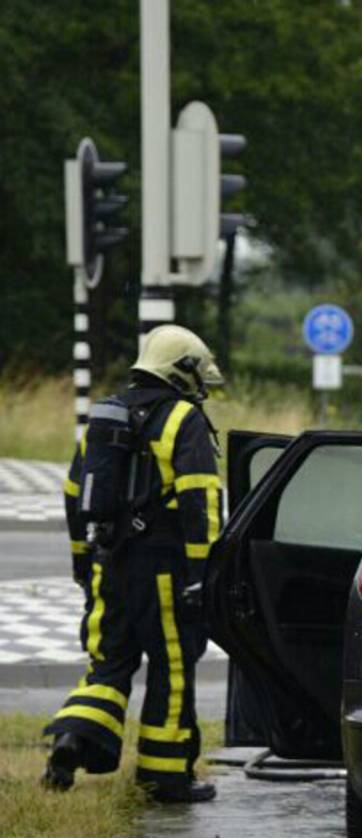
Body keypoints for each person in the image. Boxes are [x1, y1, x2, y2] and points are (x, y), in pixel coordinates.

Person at [42, 324, 225, 803]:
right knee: (173, 666)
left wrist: (83, 564)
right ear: (183, 369)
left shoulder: (105, 415)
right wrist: (202, 576)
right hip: (164, 570)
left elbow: (73, 494)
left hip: (107, 561)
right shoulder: (184, 419)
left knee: (108, 664)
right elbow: (199, 503)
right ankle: (165, 776)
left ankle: (73, 738)